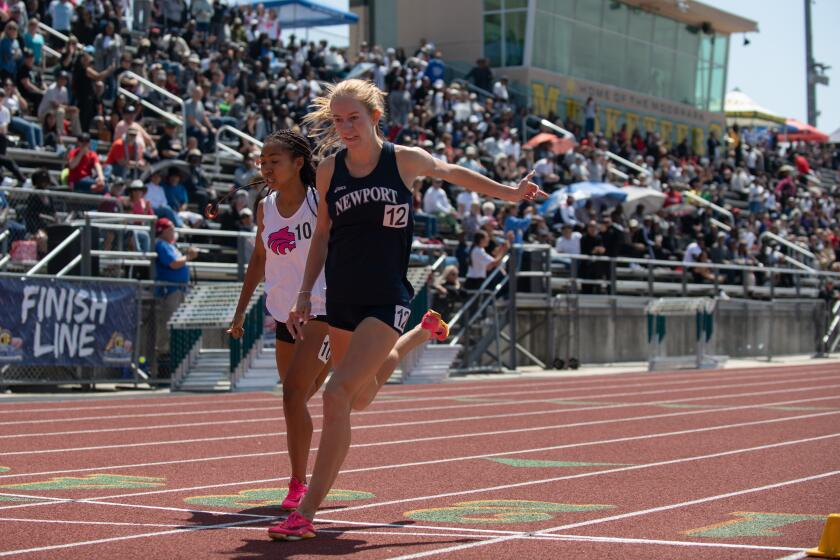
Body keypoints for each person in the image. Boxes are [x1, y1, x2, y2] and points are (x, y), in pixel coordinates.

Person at [268, 78, 545, 540]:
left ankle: (305, 515)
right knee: (360, 395)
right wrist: (303, 294)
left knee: (336, 396)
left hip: (386, 295)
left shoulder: (403, 161)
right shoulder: (328, 170)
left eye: (353, 118)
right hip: (341, 297)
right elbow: (320, 235)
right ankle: (419, 336)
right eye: (338, 120)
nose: (346, 127)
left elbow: (454, 173)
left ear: (375, 117)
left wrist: (510, 193)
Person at [227, 130, 334, 513]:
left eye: (274, 161)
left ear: (298, 163)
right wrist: (241, 310)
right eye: (262, 162)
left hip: (324, 309)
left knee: (295, 396)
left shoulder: (318, 200)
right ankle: (301, 479)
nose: (266, 168)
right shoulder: (266, 207)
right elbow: (258, 260)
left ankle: (297, 485)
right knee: (297, 400)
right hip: (283, 314)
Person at [154, 217, 198, 364]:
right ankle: (164, 360)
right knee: (169, 326)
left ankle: (176, 359)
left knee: (180, 326)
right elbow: (173, 263)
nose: (174, 232)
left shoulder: (171, 245)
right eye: (171, 229)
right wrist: (188, 257)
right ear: (163, 231)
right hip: (171, 291)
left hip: (180, 290)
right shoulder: (161, 244)